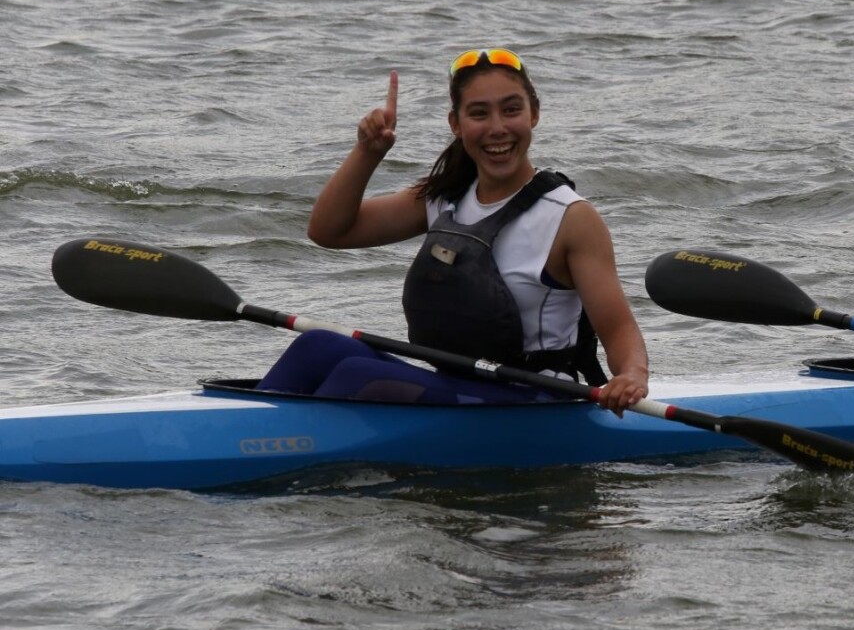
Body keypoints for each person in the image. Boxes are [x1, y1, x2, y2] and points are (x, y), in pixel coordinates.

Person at [259, 48, 650, 413]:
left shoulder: (571, 218)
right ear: (456, 124)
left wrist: (631, 377)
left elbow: (618, 330)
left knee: (357, 377)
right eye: (479, 114)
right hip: (457, 388)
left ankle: (273, 452)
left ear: (533, 114)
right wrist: (368, 153)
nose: (497, 128)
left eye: (510, 110)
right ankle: (249, 430)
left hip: (534, 401)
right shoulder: (443, 196)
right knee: (318, 346)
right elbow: (329, 231)